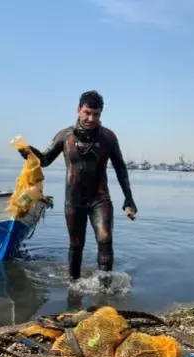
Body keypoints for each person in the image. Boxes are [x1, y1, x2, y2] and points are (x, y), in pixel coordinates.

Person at [18, 90, 137, 281]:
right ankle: (74, 288)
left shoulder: (108, 137)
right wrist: (31, 152)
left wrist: (128, 197)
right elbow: (46, 159)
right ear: (78, 110)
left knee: (105, 238)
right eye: (87, 112)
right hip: (73, 201)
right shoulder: (65, 136)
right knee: (76, 245)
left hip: (100, 198)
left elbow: (121, 169)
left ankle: (104, 288)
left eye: (96, 114)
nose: (91, 118)